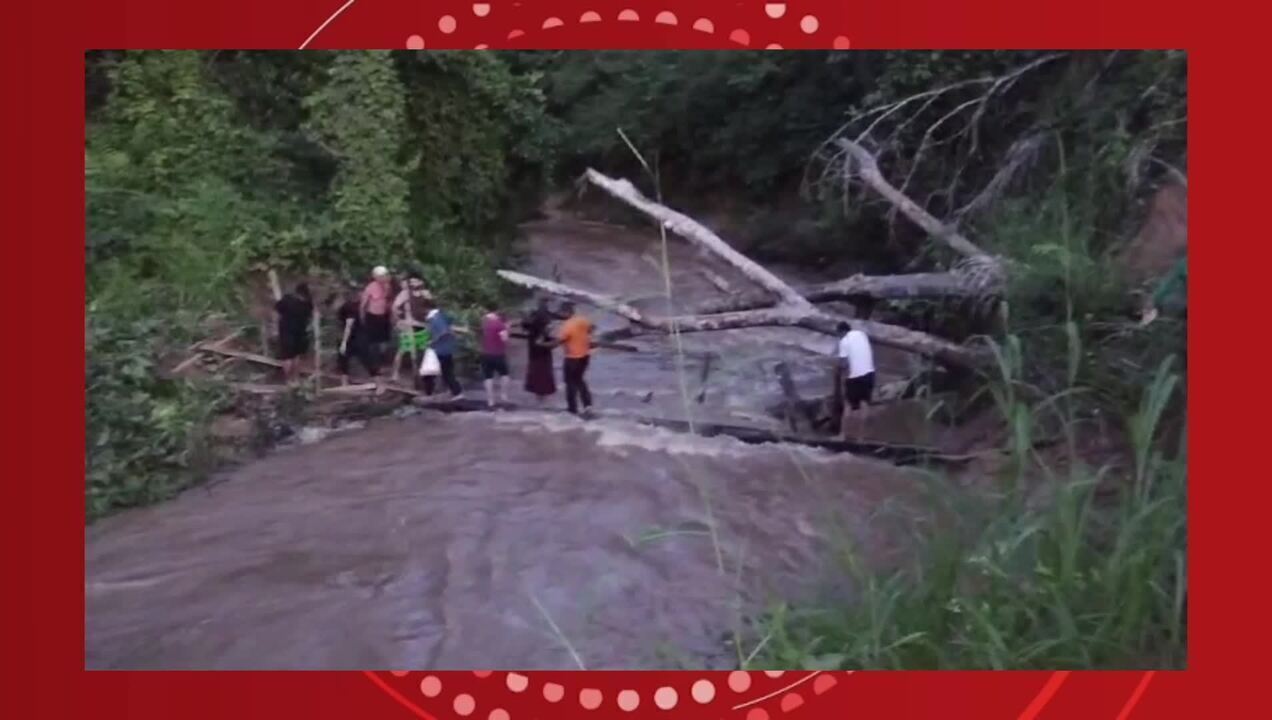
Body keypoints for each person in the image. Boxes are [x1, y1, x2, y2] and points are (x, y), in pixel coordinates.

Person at [835, 321, 875, 441]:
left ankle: (842, 435)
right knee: (864, 404)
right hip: (870, 373)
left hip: (855, 376)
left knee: (848, 405)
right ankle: (861, 437)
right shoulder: (862, 334)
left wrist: (839, 372)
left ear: (841, 332)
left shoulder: (844, 341)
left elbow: (843, 364)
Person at [390, 273, 433, 383]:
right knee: (404, 349)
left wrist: (429, 299)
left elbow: (432, 308)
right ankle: (395, 374)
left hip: (422, 325)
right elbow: (394, 307)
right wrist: (399, 320)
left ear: (421, 282)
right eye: (411, 281)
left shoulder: (426, 293)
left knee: (420, 350)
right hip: (409, 324)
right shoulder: (405, 294)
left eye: (415, 281)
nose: (413, 284)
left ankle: (418, 375)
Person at [334, 286, 379, 385]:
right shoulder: (352, 306)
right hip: (358, 336)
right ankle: (344, 383)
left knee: (363, 358)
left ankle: (377, 382)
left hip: (356, 337)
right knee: (345, 359)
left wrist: (344, 343)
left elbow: (349, 325)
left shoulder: (352, 307)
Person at [557, 301, 594, 416]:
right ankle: (588, 405)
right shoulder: (582, 320)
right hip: (585, 356)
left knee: (570, 383)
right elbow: (592, 328)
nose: (560, 315)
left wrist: (543, 345)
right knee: (580, 380)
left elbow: (559, 341)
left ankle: (572, 408)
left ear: (567, 312)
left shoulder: (566, 326)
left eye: (561, 313)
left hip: (572, 358)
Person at [275, 283, 314, 383]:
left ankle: (288, 380)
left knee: (287, 357)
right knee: (297, 356)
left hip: (286, 331)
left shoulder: (288, 300)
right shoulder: (308, 303)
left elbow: (277, 310)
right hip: (301, 332)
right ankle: (296, 379)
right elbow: (309, 317)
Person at [521, 298, 557, 404]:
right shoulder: (545, 316)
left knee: (536, 369)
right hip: (542, 347)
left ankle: (538, 393)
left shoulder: (535, 315)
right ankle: (542, 393)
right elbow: (546, 331)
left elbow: (526, 326)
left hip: (533, 347)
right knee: (543, 369)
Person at [426, 305, 464, 399]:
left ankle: (457, 392)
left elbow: (444, 332)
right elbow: (449, 329)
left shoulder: (436, 319)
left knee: (446, 372)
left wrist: (433, 341)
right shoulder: (441, 316)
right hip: (445, 349)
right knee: (445, 372)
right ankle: (451, 391)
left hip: (442, 349)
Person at [360, 266, 394, 367]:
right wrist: (362, 317)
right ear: (376, 277)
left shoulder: (388, 287)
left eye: (385, 276)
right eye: (381, 276)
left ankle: (381, 360)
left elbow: (389, 300)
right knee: (372, 341)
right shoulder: (370, 287)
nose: (384, 278)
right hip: (372, 316)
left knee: (384, 341)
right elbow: (363, 304)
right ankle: (373, 362)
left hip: (383, 316)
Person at [480, 303, 512, 408]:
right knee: (504, 374)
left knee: (488, 377)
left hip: (485, 353)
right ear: (496, 311)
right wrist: (507, 329)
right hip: (498, 354)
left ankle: (490, 400)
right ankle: (504, 396)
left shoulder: (483, 322)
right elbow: (505, 339)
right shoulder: (499, 324)